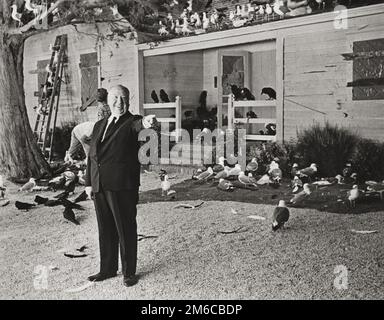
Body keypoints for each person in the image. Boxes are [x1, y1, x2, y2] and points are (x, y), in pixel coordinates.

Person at [84, 85, 157, 287]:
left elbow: (140, 125)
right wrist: (88, 182)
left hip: (122, 185)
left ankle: (128, 272)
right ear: (108, 100)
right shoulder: (99, 125)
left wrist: (146, 122)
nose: (119, 102)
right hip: (99, 184)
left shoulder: (132, 122)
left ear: (129, 101)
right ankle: (107, 269)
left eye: (124, 98)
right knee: (105, 228)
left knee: (125, 228)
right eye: (116, 98)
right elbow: (92, 156)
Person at [65, 89, 111, 163]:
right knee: (79, 149)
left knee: (75, 149)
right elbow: (84, 138)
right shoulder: (105, 108)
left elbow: (103, 121)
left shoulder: (104, 107)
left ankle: (71, 158)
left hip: (92, 128)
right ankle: (71, 159)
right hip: (79, 131)